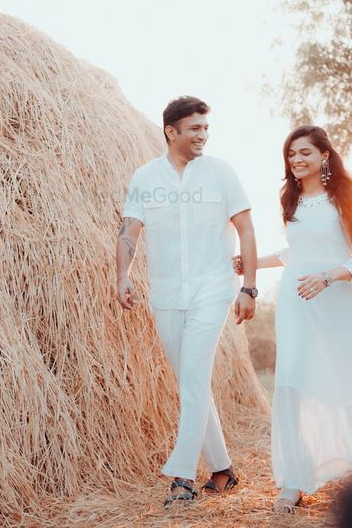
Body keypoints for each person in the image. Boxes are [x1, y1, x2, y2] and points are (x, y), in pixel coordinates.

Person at [234, 124, 352, 513]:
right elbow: (295, 251)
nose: (297, 160)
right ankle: (295, 481)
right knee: (294, 382)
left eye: (304, 153)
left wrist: (327, 277)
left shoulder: (345, 197)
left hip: (340, 303)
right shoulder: (290, 198)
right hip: (297, 303)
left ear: (324, 155)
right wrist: (251, 263)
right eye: (291, 154)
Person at [116, 96, 258, 509]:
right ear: (171, 131)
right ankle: (223, 470)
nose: (203, 135)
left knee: (194, 378)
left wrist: (248, 286)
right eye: (195, 128)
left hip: (212, 289)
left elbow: (246, 230)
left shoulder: (222, 174)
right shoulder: (145, 177)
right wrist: (121, 274)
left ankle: (181, 477)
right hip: (165, 294)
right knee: (192, 384)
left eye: (206, 128)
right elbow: (130, 229)